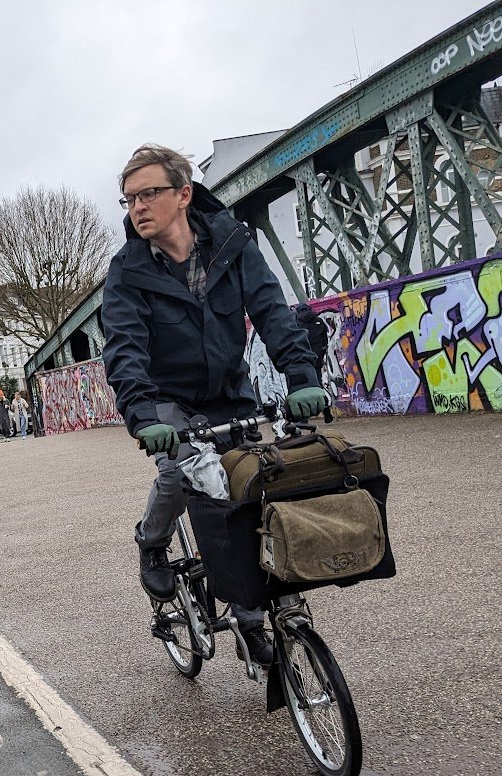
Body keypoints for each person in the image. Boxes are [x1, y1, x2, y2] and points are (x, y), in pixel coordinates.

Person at [100, 144, 325, 668]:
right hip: (166, 402)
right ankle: (152, 541)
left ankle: (253, 621)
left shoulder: (232, 244)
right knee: (186, 473)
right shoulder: (127, 272)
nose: (138, 207)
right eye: (129, 198)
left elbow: (273, 312)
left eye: (149, 193)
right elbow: (125, 352)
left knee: (256, 486)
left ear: (183, 194)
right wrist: (144, 418)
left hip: (230, 393)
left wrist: (302, 378)